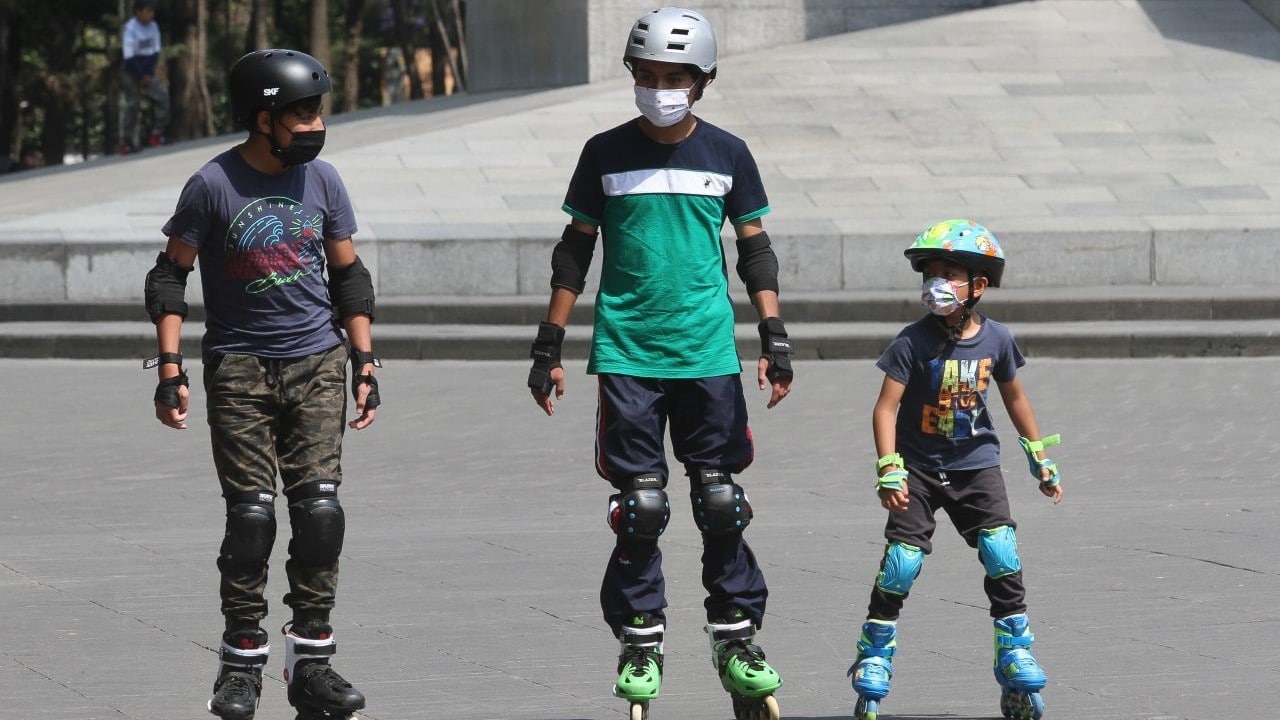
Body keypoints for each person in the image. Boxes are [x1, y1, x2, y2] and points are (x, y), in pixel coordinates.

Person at [526, 7, 793, 720]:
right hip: (628, 353)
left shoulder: (729, 154)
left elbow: (755, 249)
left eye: (673, 77)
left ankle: (736, 637)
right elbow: (574, 250)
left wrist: (774, 335)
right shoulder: (603, 153)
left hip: (706, 351)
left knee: (719, 501)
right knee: (640, 507)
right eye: (645, 76)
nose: (657, 88)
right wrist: (548, 344)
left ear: (701, 82)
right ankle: (641, 637)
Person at [145, 48, 379, 720]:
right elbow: (168, 277)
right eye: (300, 113)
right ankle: (241, 665)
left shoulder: (325, 182)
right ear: (262, 118)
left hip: (317, 365)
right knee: (251, 519)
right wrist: (169, 372)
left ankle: (312, 663)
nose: (314, 124)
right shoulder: (212, 185)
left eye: (317, 111)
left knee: (320, 514)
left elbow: (349, 278)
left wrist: (364, 362)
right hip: (239, 367)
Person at [847, 219, 1064, 720]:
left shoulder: (998, 340)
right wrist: (888, 468)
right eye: (930, 273)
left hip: (977, 466)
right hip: (919, 469)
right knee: (902, 561)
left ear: (978, 286)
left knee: (1001, 552)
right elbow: (885, 409)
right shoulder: (911, 341)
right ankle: (874, 654)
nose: (935, 284)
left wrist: (1040, 457)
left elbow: (1015, 398)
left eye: (948, 274)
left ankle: (1014, 650)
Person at [120, 0, 170, 154]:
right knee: (133, 105)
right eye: (147, 11)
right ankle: (127, 142)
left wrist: (148, 73)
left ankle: (157, 134)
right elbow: (129, 56)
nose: (150, 15)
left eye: (152, 12)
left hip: (148, 70)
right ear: (139, 12)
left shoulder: (153, 26)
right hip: (132, 71)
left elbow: (155, 51)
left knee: (162, 97)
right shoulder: (130, 28)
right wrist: (141, 75)